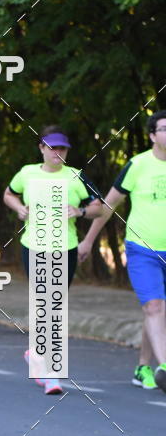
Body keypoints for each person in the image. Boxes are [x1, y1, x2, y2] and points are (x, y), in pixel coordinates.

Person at [3, 127, 103, 394]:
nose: (57, 153)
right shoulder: (27, 173)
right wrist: (19, 208)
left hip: (65, 248)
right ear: (42, 149)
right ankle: (49, 373)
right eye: (52, 148)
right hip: (34, 247)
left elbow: (99, 206)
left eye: (62, 149)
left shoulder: (76, 176)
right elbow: (8, 194)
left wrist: (80, 210)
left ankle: (36, 354)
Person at [79, 110, 166, 394]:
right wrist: (89, 241)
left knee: (157, 311)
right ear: (153, 135)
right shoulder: (137, 165)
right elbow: (107, 207)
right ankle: (164, 368)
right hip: (143, 249)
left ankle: (143, 367)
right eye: (164, 129)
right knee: (154, 307)